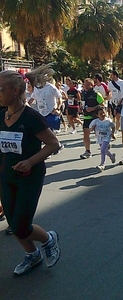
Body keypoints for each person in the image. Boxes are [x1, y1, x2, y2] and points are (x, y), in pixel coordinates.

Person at [0, 65, 61, 275]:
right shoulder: (1, 115)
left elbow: (54, 144)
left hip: (29, 176)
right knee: (13, 222)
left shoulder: (31, 118)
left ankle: (48, 239)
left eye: (1, 89)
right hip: (6, 175)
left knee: (21, 226)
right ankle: (32, 255)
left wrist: (30, 161)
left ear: (14, 91)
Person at [79, 78, 105, 159]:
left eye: (87, 85)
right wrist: (80, 108)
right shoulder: (82, 94)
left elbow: (103, 105)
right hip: (87, 117)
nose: (86, 86)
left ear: (92, 85)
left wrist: (93, 108)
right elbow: (82, 103)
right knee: (86, 133)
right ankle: (88, 151)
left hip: (95, 116)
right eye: (85, 84)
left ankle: (105, 145)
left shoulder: (96, 94)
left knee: (99, 134)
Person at [89, 106, 116, 171]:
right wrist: (92, 128)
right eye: (100, 114)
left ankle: (102, 164)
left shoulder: (108, 121)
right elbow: (90, 130)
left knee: (102, 150)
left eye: (104, 113)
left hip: (107, 137)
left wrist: (112, 133)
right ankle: (112, 156)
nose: (103, 115)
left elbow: (113, 126)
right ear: (97, 115)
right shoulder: (95, 122)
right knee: (105, 150)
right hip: (100, 137)